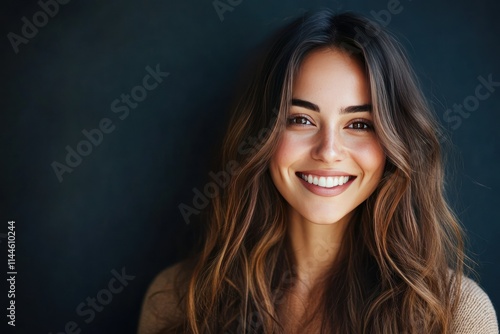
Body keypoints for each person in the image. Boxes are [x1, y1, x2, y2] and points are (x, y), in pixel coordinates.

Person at [138, 10, 498, 334]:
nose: (328, 151)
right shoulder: (177, 299)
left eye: (359, 124)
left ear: (394, 142)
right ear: (259, 136)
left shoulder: (456, 316)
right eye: (300, 120)